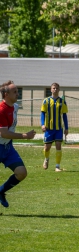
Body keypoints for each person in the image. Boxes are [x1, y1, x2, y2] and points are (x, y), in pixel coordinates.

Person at [0, 80, 36, 208]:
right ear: (6, 95)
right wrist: (24, 136)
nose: (18, 94)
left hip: (7, 147)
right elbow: (3, 133)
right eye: (14, 92)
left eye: (17, 91)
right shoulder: (1, 110)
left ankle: (1, 191)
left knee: (22, 173)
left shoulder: (15, 107)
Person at [41, 82, 68, 172]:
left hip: (58, 129)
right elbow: (42, 113)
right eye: (54, 88)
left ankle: (57, 166)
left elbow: (64, 115)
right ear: (51, 89)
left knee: (58, 146)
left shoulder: (62, 101)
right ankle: (46, 159)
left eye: (57, 88)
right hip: (49, 129)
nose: (55, 90)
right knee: (47, 148)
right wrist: (42, 124)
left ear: (59, 90)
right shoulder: (46, 101)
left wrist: (66, 128)